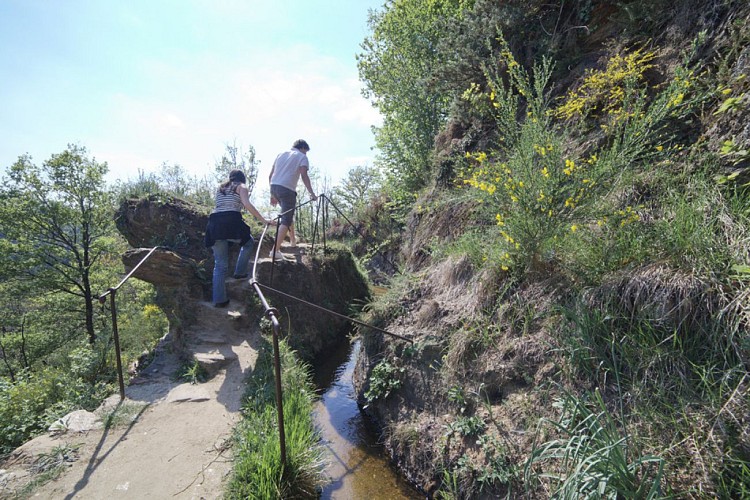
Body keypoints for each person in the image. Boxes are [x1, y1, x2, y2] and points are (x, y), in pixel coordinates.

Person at [205, 169, 274, 307]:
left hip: (214, 223)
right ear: (242, 179)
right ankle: (240, 272)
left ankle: (219, 300)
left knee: (220, 265)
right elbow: (246, 204)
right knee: (248, 242)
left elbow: (220, 206)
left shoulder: (220, 188)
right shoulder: (241, 187)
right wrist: (263, 219)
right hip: (231, 221)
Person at [268, 139, 317, 260]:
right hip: (287, 190)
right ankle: (275, 251)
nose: (306, 154)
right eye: (306, 152)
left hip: (274, 186)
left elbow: (270, 175)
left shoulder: (281, 154)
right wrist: (312, 193)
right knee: (285, 220)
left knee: (288, 214)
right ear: (303, 148)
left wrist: (272, 194)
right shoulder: (302, 157)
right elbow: (304, 175)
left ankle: (293, 240)